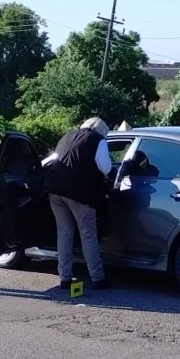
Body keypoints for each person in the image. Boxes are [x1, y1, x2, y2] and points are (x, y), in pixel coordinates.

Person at [47, 117, 112, 290]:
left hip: (55, 190)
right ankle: (97, 278)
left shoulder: (66, 136)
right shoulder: (97, 140)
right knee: (88, 234)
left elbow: (54, 160)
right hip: (79, 194)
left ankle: (65, 279)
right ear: (101, 131)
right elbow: (106, 168)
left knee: (64, 234)